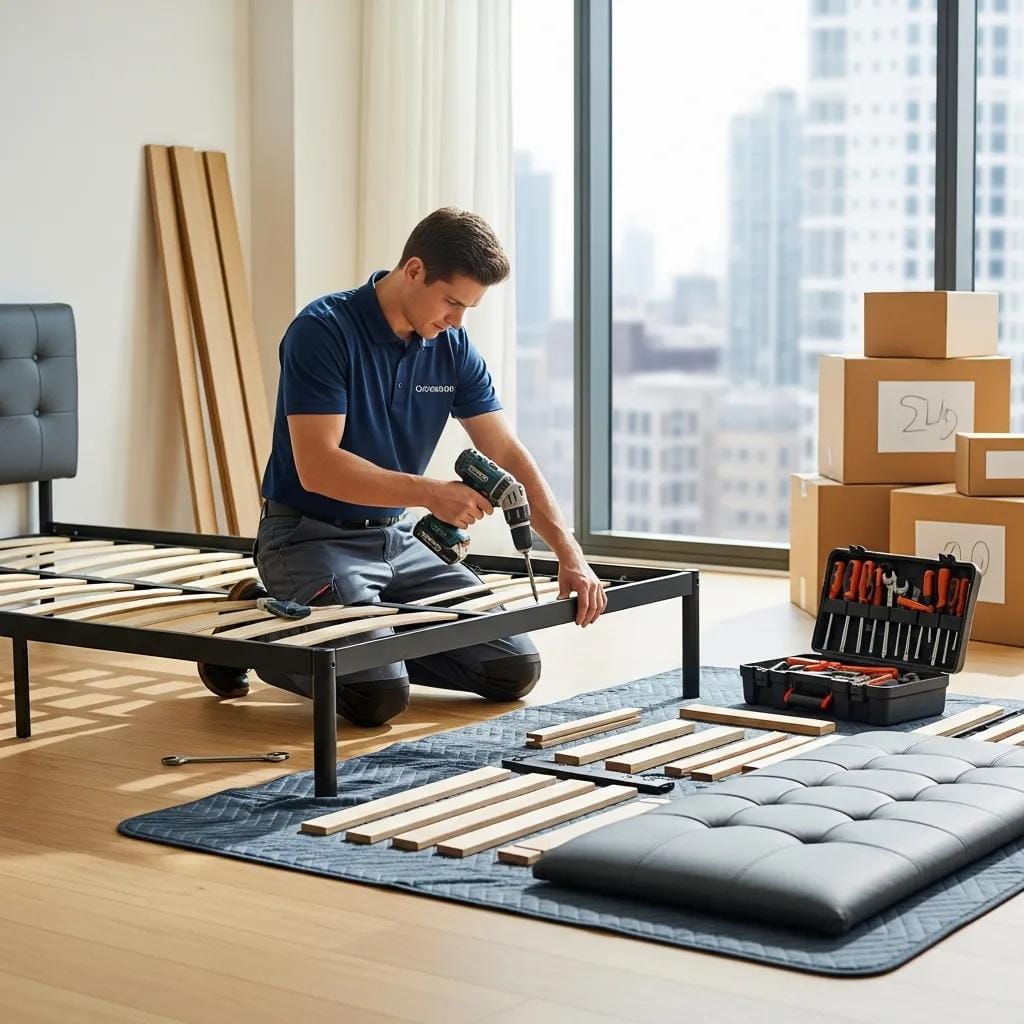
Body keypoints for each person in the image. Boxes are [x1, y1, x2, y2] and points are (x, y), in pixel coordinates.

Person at [202, 207, 606, 726]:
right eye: (453, 302)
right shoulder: (322, 331)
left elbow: (506, 453)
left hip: (398, 540)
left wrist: (569, 554)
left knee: (512, 669)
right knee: (375, 698)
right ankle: (251, 630)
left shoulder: (452, 346)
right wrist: (433, 494)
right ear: (413, 271)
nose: (457, 320)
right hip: (308, 536)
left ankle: (372, 647)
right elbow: (317, 467)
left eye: (470, 308)